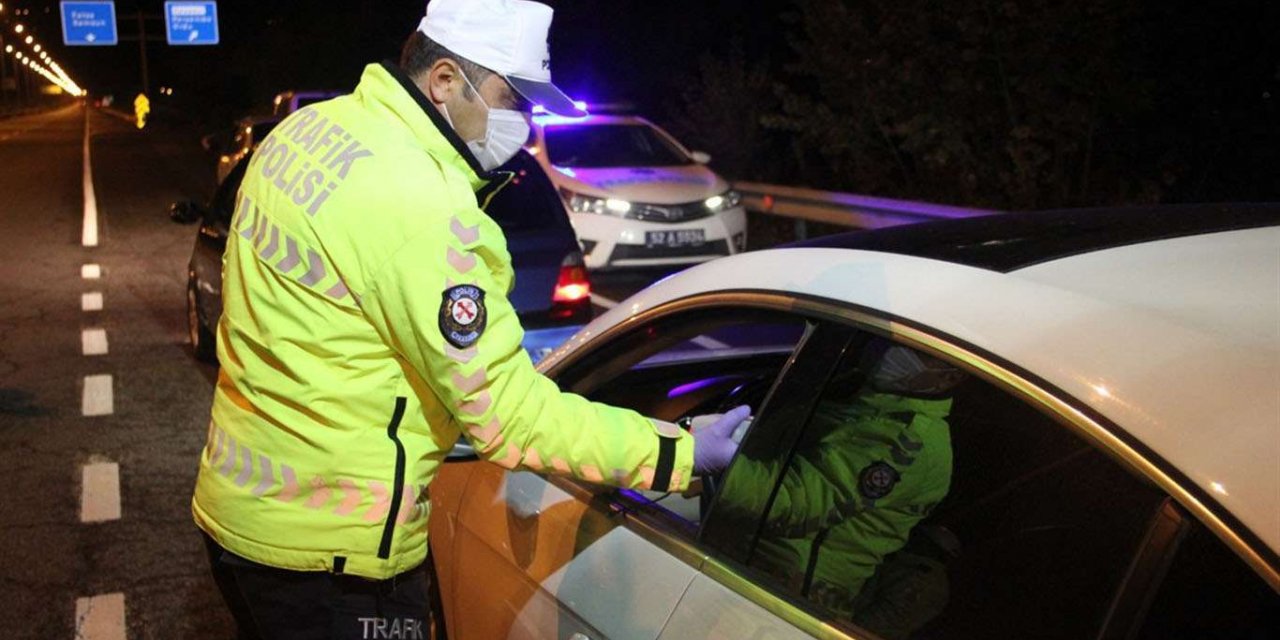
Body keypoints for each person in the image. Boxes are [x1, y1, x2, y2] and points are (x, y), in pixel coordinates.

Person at [190, 1, 749, 638]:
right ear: (445, 82)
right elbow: (509, 417)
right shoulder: (421, 205)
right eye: (514, 98)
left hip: (242, 510)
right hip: (333, 554)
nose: (525, 120)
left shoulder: (309, 131)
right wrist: (680, 452)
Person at [717, 340, 966, 639]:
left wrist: (709, 464)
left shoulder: (910, 439)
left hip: (788, 598)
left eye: (919, 352)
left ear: (949, 377)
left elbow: (793, 502)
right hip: (749, 567)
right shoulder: (869, 400)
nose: (891, 350)